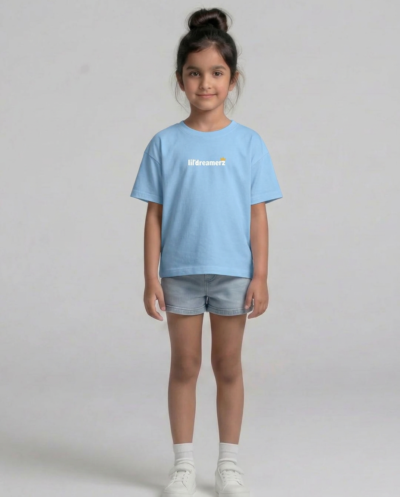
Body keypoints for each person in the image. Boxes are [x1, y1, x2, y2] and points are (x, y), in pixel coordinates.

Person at [130, 7, 283, 497]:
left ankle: (228, 465)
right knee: (185, 366)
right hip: (179, 272)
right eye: (194, 73)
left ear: (232, 79)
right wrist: (151, 277)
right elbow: (154, 215)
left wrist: (260, 275)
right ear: (181, 79)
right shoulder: (164, 144)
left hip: (234, 273)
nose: (205, 83)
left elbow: (258, 215)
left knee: (228, 367)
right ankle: (182, 465)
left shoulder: (249, 144)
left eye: (216, 73)